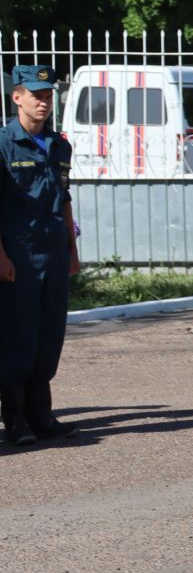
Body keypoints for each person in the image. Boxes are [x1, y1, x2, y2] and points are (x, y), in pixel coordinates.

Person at [2, 64, 81, 446]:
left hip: (52, 250)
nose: (44, 103)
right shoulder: (4, 144)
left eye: (49, 96)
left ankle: (41, 416)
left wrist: (72, 248)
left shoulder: (59, 144)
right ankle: (15, 420)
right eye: (36, 96)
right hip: (17, 252)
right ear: (16, 97)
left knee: (49, 335)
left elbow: (63, 198)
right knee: (18, 335)